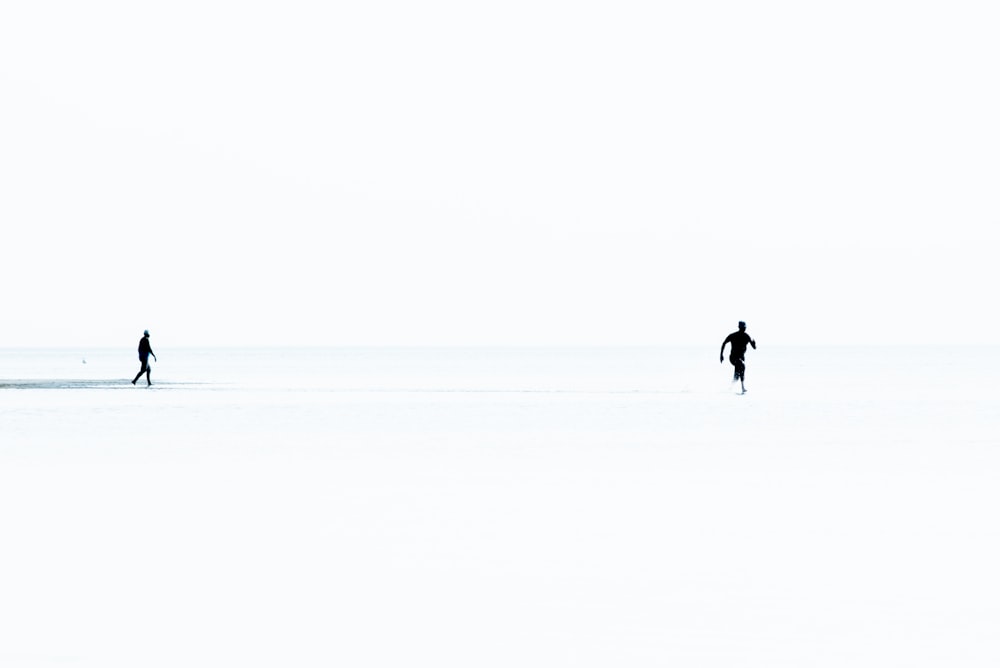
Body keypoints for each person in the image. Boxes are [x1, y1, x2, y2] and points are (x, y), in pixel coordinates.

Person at [720, 321, 756, 393]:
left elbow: (754, 347)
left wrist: (754, 343)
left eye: (744, 328)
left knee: (739, 372)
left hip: (741, 358)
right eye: (743, 328)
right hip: (733, 358)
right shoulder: (733, 335)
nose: (744, 329)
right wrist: (721, 355)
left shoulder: (747, 336)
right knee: (741, 365)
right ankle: (741, 387)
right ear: (740, 327)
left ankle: (732, 387)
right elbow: (724, 343)